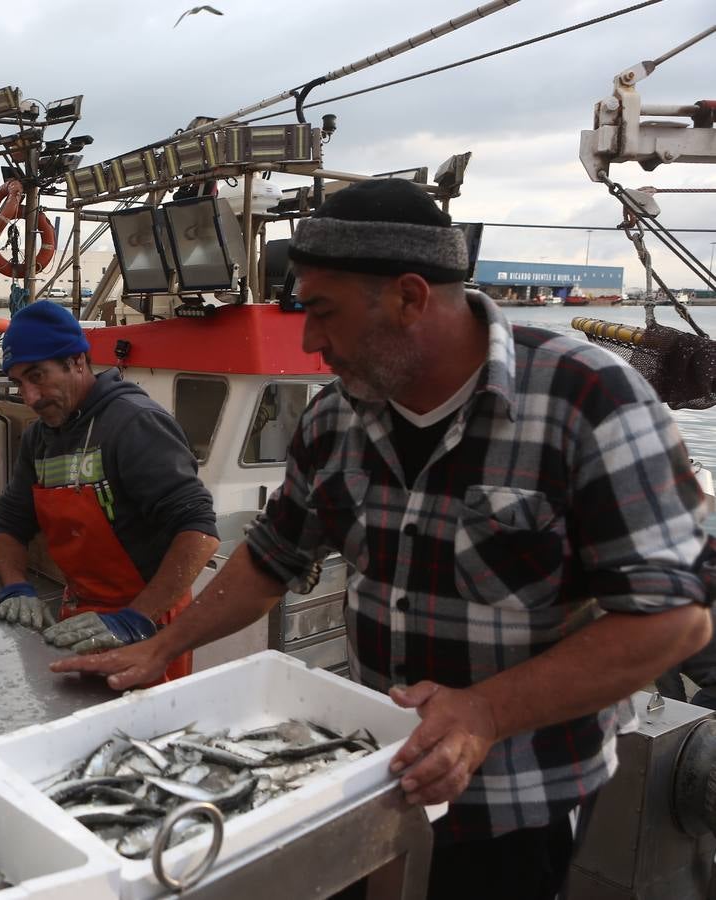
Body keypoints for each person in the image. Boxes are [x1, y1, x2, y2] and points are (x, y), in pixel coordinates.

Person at [52, 179, 713, 899]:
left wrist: (486, 711)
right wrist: (159, 644)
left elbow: (673, 620)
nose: (309, 340)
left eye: (323, 312)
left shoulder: (588, 399)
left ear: (409, 296)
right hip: (375, 770)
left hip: (518, 798)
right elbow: (271, 560)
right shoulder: (336, 418)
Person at [0, 301, 219, 682]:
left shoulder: (134, 424)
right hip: (79, 614)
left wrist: (135, 619)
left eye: (38, 376)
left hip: (149, 622)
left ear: (78, 362)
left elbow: (200, 532)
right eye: (19, 383)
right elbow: (11, 522)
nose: (30, 397)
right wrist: (15, 586)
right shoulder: (39, 439)